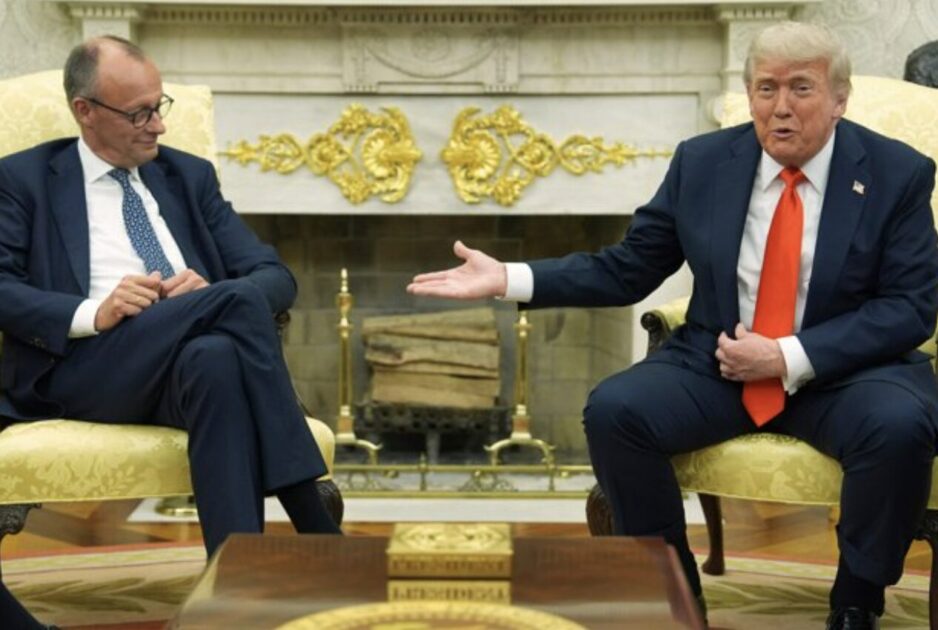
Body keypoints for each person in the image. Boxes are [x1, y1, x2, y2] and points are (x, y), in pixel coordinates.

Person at [409, 21, 938, 630]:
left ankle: (856, 601)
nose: (781, 107)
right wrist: (509, 277)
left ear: (839, 98)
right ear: (749, 95)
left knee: (899, 425)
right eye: (766, 88)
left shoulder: (896, 173)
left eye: (801, 88)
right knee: (616, 410)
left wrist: (788, 356)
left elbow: (908, 307)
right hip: (721, 363)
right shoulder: (704, 162)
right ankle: (672, 591)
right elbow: (628, 268)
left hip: (843, 370)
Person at [0, 36, 340, 560]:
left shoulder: (189, 176)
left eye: (160, 107)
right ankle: (314, 522)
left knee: (217, 355)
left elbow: (275, 276)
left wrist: (209, 294)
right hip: (84, 365)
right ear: (85, 111)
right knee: (233, 303)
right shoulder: (23, 180)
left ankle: (235, 575)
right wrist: (95, 312)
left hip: (182, 363)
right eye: (139, 114)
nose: (158, 125)